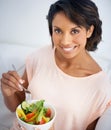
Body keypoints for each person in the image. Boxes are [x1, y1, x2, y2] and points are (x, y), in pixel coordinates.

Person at [1, 0, 111, 130]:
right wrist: (8, 92)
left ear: (89, 31)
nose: (65, 41)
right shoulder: (39, 56)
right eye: (58, 30)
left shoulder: (101, 88)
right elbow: (17, 106)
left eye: (74, 31)